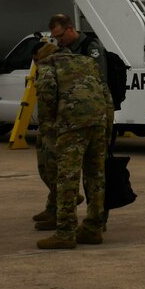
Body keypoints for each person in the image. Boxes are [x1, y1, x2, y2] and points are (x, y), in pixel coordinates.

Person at [33, 17, 112, 249]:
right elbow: (105, 93)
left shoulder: (48, 65)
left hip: (72, 125)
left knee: (67, 177)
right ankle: (93, 228)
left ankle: (65, 232)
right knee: (95, 177)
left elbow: (46, 96)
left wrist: (47, 128)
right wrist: (106, 128)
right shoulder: (87, 62)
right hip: (98, 122)